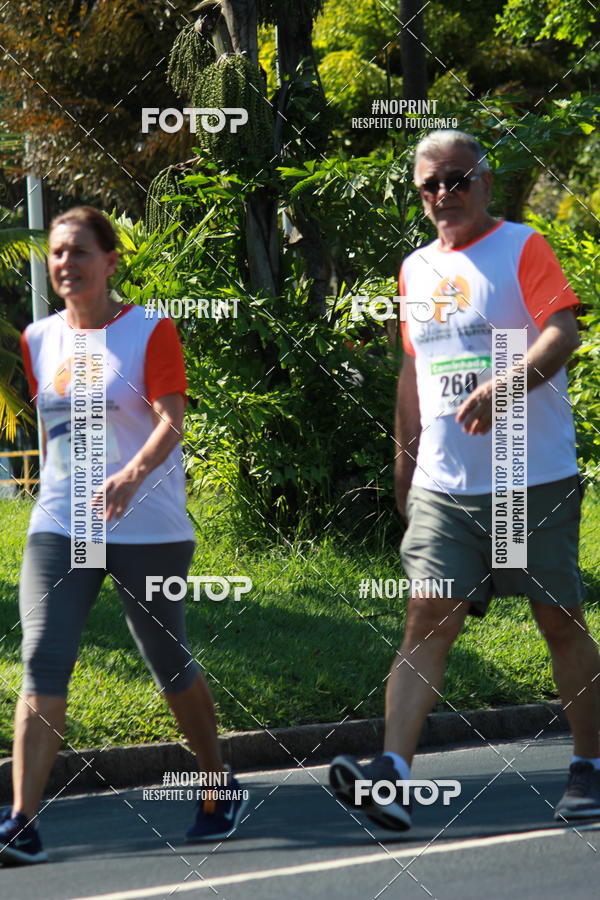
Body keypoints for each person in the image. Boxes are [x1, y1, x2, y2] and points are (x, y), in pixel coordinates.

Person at [330, 130, 600, 830]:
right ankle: (391, 775)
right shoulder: (414, 269)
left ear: (484, 180)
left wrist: (503, 388)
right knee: (426, 619)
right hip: (446, 486)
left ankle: (590, 765)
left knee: (559, 621)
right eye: (429, 185)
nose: (443, 194)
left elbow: (563, 333)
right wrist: (404, 462)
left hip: (528, 476)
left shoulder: (521, 247)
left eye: (456, 179)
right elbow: (412, 374)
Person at [0, 207, 247, 865]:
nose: (64, 264)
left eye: (79, 251)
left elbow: (172, 420)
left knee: (168, 660)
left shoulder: (148, 329)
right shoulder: (39, 337)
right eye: (56, 253)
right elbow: (54, 436)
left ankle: (217, 783)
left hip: (147, 526)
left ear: (110, 262)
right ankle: (23, 820)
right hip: (60, 523)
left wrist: (132, 475)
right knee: (44, 657)